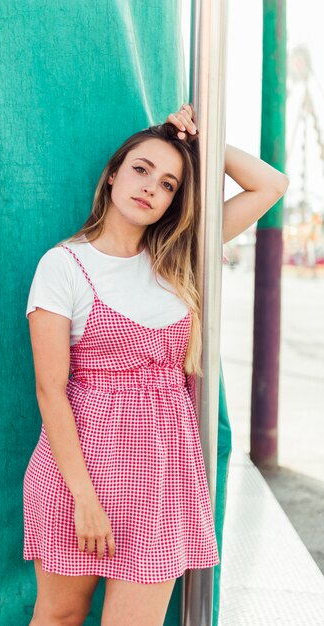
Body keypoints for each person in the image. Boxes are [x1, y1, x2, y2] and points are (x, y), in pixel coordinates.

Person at [23, 103, 289, 626]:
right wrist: (85, 499)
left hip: (161, 472)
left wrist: (201, 141)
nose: (151, 187)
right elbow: (50, 390)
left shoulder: (178, 256)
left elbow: (270, 186)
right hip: (80, 472)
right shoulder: (64, 265)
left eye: (169, 183)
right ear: (114, 175)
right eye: (142, 169)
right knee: (60, 616)